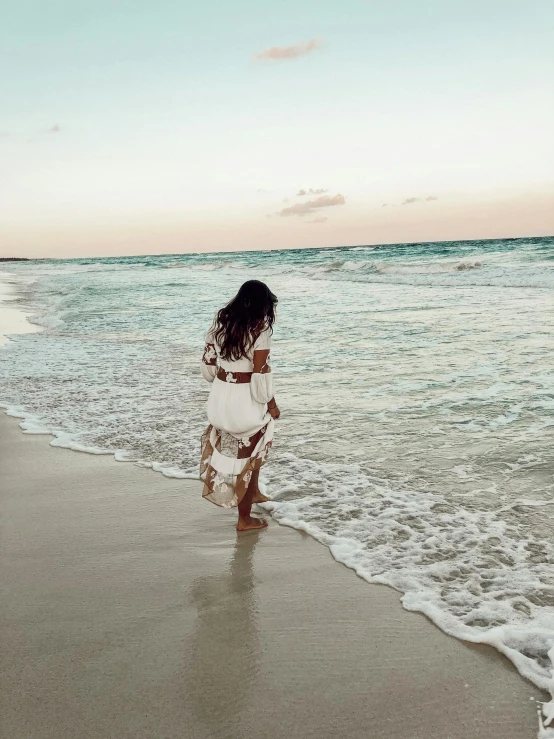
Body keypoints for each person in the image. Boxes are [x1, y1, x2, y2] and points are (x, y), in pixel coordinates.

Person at [200, 280, 280, 531]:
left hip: (220, 397)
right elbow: (261, 373)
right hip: (244, 401)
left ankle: (254, 492)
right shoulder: (260, 329)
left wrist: (227, 379)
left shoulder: (220, 324)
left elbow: (209, 367)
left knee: (253, 448)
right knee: (247, 458)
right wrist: (272, 404)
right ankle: (244, 520)